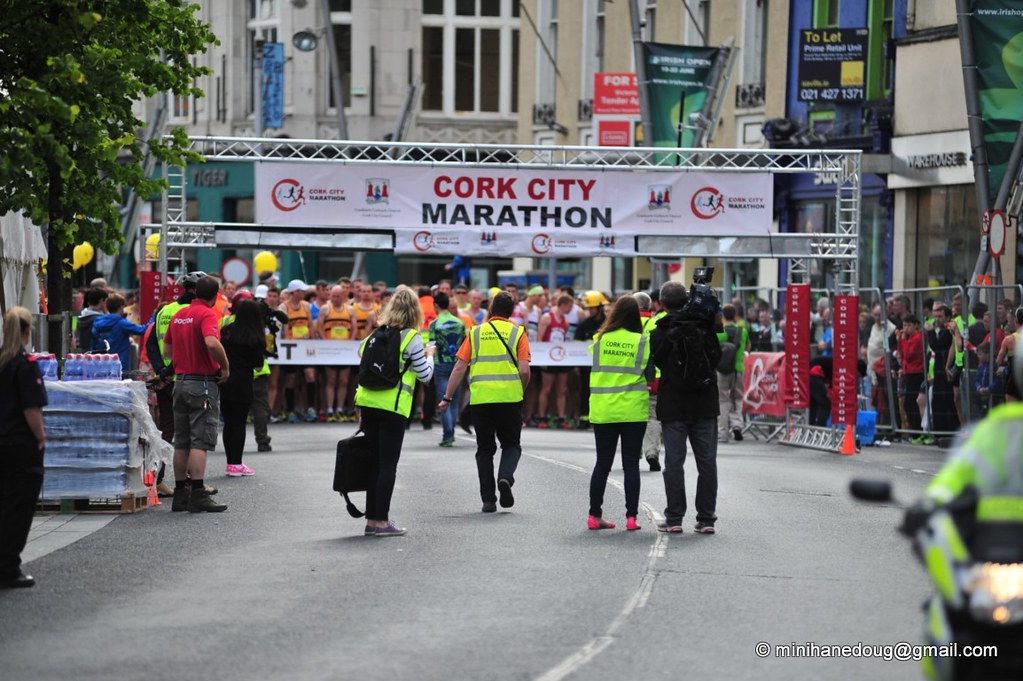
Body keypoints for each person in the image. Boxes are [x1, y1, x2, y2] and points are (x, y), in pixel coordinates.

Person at [439, 291, 531, 513]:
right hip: (509, 399)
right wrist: (520, 391)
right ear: (511, 312)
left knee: (484, 450)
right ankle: (505, 478)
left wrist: (447, 397)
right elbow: (524, 370)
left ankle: (488, 499)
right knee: (511, 445)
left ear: (490, 309)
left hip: (481, 401)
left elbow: (460, 367)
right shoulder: (518, 332)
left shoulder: (475, 332)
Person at [354, 287, 435, 536]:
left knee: (373, 464)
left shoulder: (374, 335)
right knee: (387, 465)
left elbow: (360, 353)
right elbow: (426, 376)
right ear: (415, 311)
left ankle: (371, 520)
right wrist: (429, 355)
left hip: (368, 404)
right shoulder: (412, 338)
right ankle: (380, 522)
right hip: (393, 407)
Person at [651, 281, 721, 534]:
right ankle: (706, 518)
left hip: (674, 403)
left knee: (674, 462)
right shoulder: (705, 326)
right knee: (707, 462)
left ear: (661, 303)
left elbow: (657, 361)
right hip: (705, 402)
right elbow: (716, 357)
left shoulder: (660, 331)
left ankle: (674, 518)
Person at [163, 276, 230, 513]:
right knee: (199, 440)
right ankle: (199, 493)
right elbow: (212, 343)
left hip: (179, 382)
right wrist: (224, 365)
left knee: (181, 440)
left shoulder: (179, 314)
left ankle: (180, 493)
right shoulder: (207, 314)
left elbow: (167, 350)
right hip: (201, 383)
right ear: (214, 296)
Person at [587, 296, 652, 531]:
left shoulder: (599, 340)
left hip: (604, 409)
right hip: (633, 410)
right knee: (631, 465)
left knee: (602, 464)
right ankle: (632, 518)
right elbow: (651, 375)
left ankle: (595, 515)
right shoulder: (642, 341)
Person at [0, 308, 47, 588]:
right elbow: (32, 408)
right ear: (28, 330)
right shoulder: (25, 364)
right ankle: (8, 565)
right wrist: (40, 437)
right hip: (19, 443)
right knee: (18, 507)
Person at [219, 300, 267, 477]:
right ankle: (236, 464)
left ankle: (230, 462)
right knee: (239, 423)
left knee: (228, 423)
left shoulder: (227, 331)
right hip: (243, 383)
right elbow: (258, 364)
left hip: (225, 380)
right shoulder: (254, 336)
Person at [429, 291, 466, 447]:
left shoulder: (434, 324)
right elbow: (465, 345)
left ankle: (448, 434)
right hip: (457, 364)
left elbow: (432, 346)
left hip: (441, 364)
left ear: (436, 305)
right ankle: (451, 432)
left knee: (444, 400)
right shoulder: (459, 323)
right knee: (454, 399)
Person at [279, 279, 318, 423]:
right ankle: (290, 410)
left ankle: (311, 409)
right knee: (291, 378)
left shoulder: (306, 306)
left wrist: (313, 342)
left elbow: (310, 326)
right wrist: (288, 341)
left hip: (305, 346)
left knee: (310, 374)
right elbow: (285, 329)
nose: (304, 293)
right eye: (301, 291)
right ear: (294, 292)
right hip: (292, 348)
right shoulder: (284, 307)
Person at [536, 295, 575, 430]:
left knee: (562, 389)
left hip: (560, 357)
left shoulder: (566, 321)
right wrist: (540, 359)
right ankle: (541, 416)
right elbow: (539, 338)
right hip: (548, 357)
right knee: (546, 388)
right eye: (570, 306)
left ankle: (561, 417)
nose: (571, 309)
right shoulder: (547, 318)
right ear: (563, 304)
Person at [317, 285, 355, 422]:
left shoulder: (350, 310)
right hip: (331, 350)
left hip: (345, 350)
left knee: (344, 380)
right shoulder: (325, 309)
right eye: (333, 296)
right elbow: (319, 327)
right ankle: (329, 409)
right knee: (331, 379)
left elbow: (354, 328)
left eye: (338, 296)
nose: (335, 298)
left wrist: (350, 344)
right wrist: (326, 342)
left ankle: (339, 408)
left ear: (344, 296)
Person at [717, 303, 750, 443]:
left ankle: (723, 433)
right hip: (738, 369)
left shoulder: (720, 331)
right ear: (735, 315)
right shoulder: (742, 331)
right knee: (737, 398)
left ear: (723, 316)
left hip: (723, 370)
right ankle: (737, 425)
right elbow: (748, 346)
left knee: (723, 399)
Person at [91, 292, 147, 372]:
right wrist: (154, 315)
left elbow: (93, 346)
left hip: (100, 365)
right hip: (119, 365)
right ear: (121, 306)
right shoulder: (121, 323)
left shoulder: (97, 322)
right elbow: (143, 330)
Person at [897, 315, 926, 434]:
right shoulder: (909, 338)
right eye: (904, 325)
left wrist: (902, 339)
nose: (906, 328)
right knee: (907, 403)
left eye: (909, 325)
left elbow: (908, 356)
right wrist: (900, 340)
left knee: (911, 403)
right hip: (908, 372)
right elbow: (901, 354)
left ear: (915, 325)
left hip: (916, 373)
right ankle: (914, 430)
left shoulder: (918, 338)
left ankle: (917, 431)